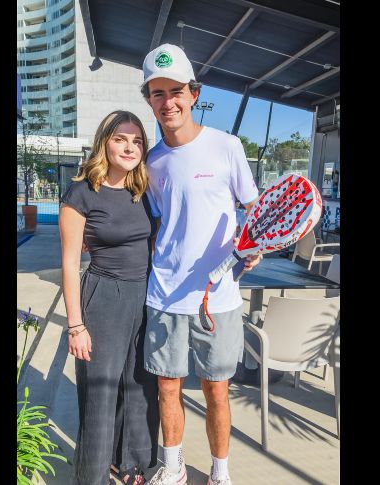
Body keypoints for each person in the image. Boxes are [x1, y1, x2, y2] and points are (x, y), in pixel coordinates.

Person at [139, 44, 261, 485]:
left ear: (193, 93)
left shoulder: (227, 146)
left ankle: (219, 474)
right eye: (157, 93)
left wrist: (254, 245)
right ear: (149, 100)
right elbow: (157, 225)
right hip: (166, 294)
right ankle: (172, 469)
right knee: (167, 388)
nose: (167, 101)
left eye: (175, 91)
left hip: (219, 298)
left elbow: (254, 210)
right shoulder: (151, 161)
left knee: (216, 392)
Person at [59, 110, 159, 485]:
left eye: (136, 141)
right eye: (121, 139)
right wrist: (75, 325)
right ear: (105, 142)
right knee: (101, 395)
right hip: (103, 297)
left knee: (140, 387)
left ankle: (133, 466)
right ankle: (92, 476)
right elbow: (70, 264)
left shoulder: (144, 191)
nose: (130, 147)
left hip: (145, 295)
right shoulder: (81, 192)